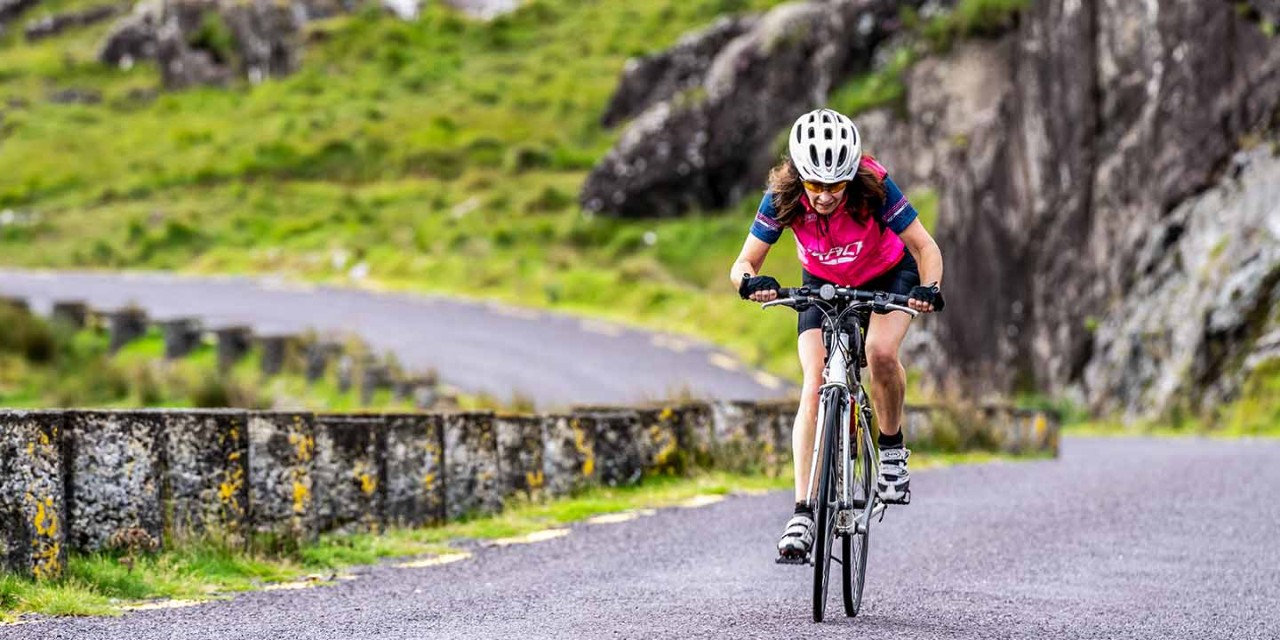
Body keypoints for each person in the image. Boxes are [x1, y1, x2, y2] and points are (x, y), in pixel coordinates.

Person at [728, 108, 945, 562]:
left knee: (881, 352)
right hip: (821, 285)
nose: (825, 196)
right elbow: (744, 262)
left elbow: (924, 246)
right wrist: (751, 281)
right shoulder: (783, 195)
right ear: (799, 176)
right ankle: (803, 513)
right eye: (815, 185)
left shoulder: (874, 186)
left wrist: (930, 288)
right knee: (814, 384)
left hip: (889, 276)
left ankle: (890, 450)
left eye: (835, 186)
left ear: (851, 177)